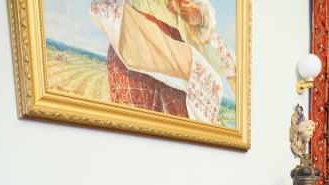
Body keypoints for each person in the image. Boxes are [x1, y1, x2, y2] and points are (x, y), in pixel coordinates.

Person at [88, 0, 236, 125]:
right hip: (135, 43)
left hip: (175, 53)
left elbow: (205, 19)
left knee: (182, 130)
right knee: (136, 126)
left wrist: (199, 16)